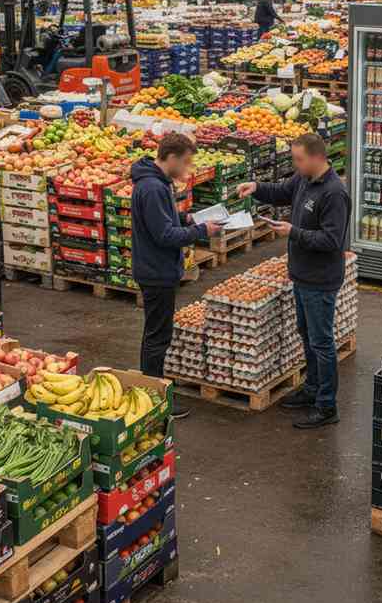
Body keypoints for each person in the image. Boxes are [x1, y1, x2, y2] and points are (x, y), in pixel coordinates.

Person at [237, 133, 351, 429]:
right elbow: (281, 191)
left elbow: (331, 240)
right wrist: (256, 187)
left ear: (317, 157)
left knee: (322, 343)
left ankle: (327, 406)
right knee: (307, 335)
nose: (295, 164)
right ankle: (312, 389)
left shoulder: (334, 193)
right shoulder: (304, 179)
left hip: (320, 280)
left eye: (299, 159)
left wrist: (293, 232)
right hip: (301, 275)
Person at [131, 133, 222, 418]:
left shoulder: (157, 183)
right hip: (156, 271)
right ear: (171, 158)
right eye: (185, 162)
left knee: (156, 332)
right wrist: (201, 231)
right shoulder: (152, 188)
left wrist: (187, 218)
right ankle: (156, 399)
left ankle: (151, 390)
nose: (187, 168)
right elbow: (164, 235)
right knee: (158, 336)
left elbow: (163, 221)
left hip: (156, 268)